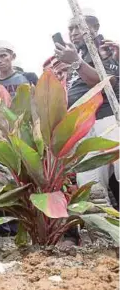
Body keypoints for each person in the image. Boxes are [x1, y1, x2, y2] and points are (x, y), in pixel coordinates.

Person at [55, 8, 119, 192]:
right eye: (70, 29)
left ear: (95, 28)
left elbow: (107, 83)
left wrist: (77, 63)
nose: (73, 33)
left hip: (107, 121)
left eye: (78, 27)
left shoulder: (104, 48)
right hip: (85, 126)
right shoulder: (80, 55)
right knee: (91, 189)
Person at [0, 41, 38, 140]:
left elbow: (39, 106)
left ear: (13, 56)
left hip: (31, 134)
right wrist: (1, 137)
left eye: (3, 56)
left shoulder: (29, 78)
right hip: (5, 135)